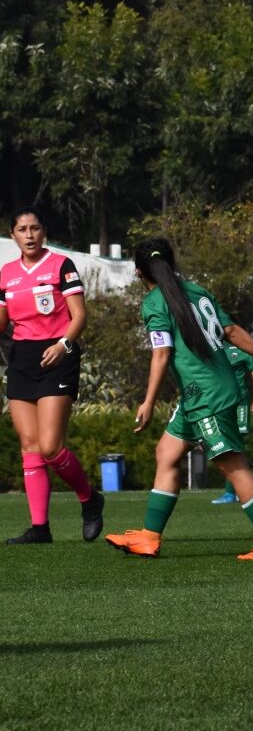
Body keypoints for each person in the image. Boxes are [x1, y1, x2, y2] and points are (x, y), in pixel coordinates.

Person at [104, 238, 253, 559]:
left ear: (139, 272)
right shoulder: (197, 291)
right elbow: (233, 332)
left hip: (207, 394)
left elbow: (162, 353)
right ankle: (149, 537)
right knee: (167, 452)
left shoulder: (154, 302)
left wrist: (149, 401)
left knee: (232, 466)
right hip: (204, 391)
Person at [0, 206, 103, 544]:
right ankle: (40, 528)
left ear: (43, 232)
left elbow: (79, 317)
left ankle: (89, 499)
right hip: (22, 360)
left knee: (50, 447)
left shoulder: (61, 266)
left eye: (35, 228)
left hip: (58, 355)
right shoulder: (6, 273)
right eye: (22, 229)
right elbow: (3, 324)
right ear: (12, 235)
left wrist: (63, 345)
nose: (29, 235)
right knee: (29, 446)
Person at [210, 344, 253, 505]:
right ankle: (236, 491)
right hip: (221, 405)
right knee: (227, 446)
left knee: (236, 446)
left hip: (240, 404)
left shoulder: (242, 349)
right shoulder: (214, 349)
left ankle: (232, 492)